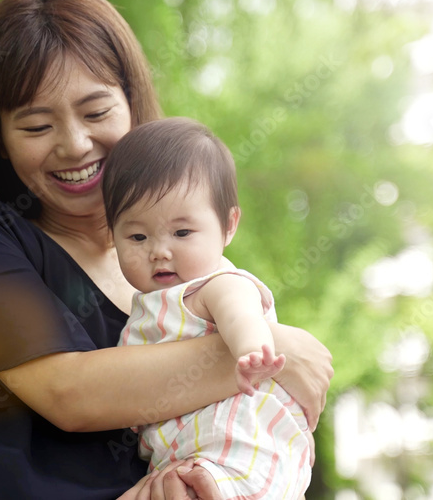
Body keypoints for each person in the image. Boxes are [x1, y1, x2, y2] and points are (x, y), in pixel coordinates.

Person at [0, 0, 333, 499]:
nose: (75, 145)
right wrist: (278, 349)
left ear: (131, 100)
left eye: (97, 112)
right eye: (37, 127)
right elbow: (70, 394)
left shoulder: (173, 260)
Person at [102, 118, 313, 498]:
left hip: (239, 447)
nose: (159, 251)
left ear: (228, 226)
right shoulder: (145, 308)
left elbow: (240, 314)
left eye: (182, 233)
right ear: (112, 235)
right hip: (186, 458)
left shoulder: (215, 285)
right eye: (137, 236)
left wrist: (251, 352)